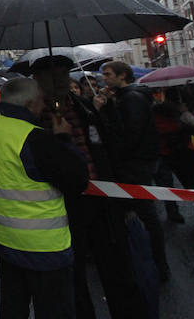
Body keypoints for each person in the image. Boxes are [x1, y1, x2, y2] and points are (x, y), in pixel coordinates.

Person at [32, 55, 147, 319]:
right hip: (64, 206)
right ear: (38, 81)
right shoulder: (35, 118)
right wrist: (59, 141)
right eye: (50, 76)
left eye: (62, 74)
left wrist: (124, 196)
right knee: (73, 275)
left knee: (116, 266)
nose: (57, 81)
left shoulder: (85, 107)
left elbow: (109, 148)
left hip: (102, 200)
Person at [0, 77, 89, 319]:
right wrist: (64, 140)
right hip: (45, 246)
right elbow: (77, 180)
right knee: (54, 310)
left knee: (13, 306)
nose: (44, 104)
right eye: (42, 100)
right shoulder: (35, 138)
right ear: (31, 102)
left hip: (3, 240)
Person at [94, 61, 168, 281]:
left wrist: (104, 113)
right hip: (136, 162)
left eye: (108, 75)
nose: (104, 79)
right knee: (141, 212)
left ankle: (158, 264)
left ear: (122, 75)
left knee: (146, 213)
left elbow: (128, 134)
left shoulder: (131, 99)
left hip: (135, 164)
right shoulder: (126, 97)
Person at [152, 88, 194, 224]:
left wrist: (185, 117)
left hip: (177, 152)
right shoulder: (159, 111)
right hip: (168, 152)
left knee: (188, 184)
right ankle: (176, 213)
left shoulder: (182, 111)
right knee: (173, 185)